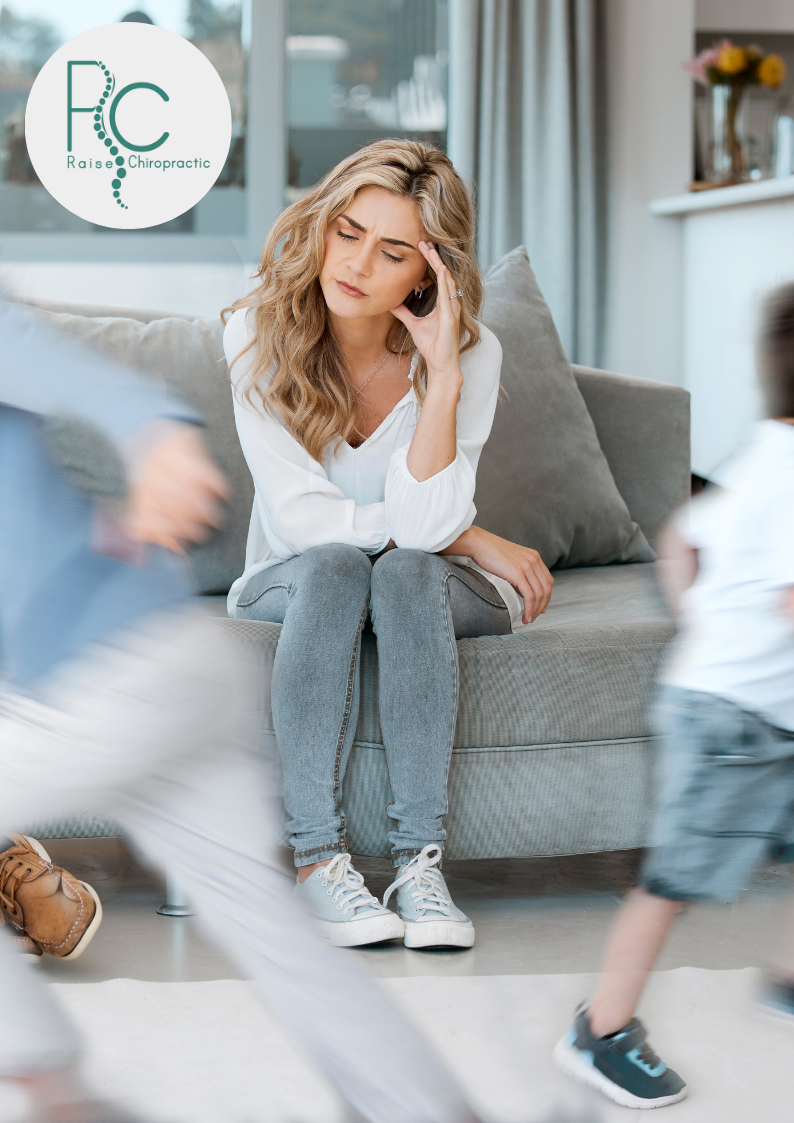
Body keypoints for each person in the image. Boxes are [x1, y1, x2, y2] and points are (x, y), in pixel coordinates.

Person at [0, 295, 488, 1123]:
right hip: (170, 664)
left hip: (91, 685)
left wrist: (156, 435)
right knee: (275, 930)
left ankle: (54, 1092)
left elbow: (54, 364)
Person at [223, 139, 554, 949]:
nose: (358, 263)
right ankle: (316, 862)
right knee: (340, 563)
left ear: (429, 273)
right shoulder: (254, 330)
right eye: (348, 232)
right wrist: (469, 535)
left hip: (420, 581)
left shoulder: (471, 351)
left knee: (405, 569)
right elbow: (304, 525)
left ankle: (420, 867)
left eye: (394, 250)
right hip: (293, 579)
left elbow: (421, 531)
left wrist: (441, 376)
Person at [554, 282, 794, 1110]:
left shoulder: (765, 452)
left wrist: (699, 618)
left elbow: (679, 537)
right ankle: (601, 1027)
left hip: (746, 704)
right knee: (673, 880)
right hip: (727, 718)